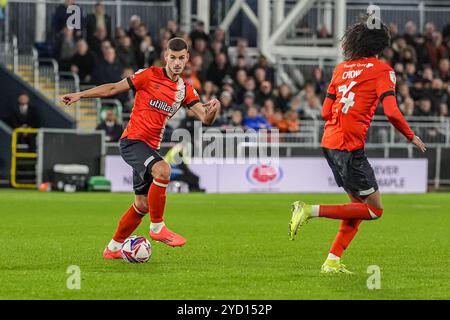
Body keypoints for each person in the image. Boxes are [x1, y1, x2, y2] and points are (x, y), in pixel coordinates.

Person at [288, 16, 426, 274]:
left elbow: (325, 111)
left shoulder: (341, 69)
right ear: (380, 46)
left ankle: (332, 261)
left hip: (330, 142)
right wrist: (411, 136)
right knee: (374, 210)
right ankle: (308, 209)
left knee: (356, 210)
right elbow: (393, 112)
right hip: (349, 147)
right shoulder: (383, 71)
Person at [61, 37, 221, 258]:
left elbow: (205, 119)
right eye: (172, 57)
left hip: (150, 148)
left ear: (187, 60)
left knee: (142, 204)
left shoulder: (185, 90)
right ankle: (157, 228)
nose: (176, 62)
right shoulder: (149, 75)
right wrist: (80, 94)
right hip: (132, 141)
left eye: (181, 58)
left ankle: (113, 248)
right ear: (166, 56)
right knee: (163, 169)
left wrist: (214, 109)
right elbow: (113, 89)